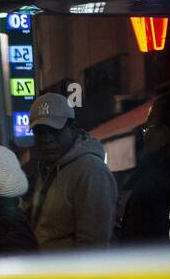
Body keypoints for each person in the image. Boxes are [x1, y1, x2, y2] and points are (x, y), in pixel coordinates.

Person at [27, 92, 117, 250]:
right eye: (40, 132)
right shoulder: (48, 167)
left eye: (54, 131)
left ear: (72, 128)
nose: (46, 139)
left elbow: (93, 247)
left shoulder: (90, 171)